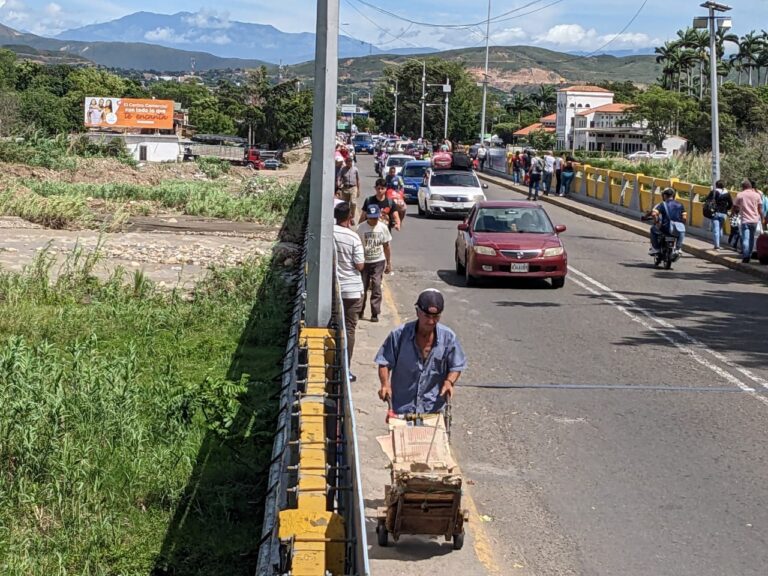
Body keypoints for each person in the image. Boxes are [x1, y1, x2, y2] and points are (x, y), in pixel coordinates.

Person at [375, 289, 466, 415]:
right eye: (427, 316)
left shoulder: (449, 337)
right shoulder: (399, 335)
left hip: (433, 409)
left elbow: (456, 365)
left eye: (435, 317)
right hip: (402, 408)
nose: (431, 322)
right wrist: (385, 384)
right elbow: (384, 361)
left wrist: (449, 381)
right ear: (417, 312)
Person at [333, 202, 364, 381]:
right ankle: (346, 368)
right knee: (349, 329)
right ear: (350, 218)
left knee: (334, 326)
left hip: (334, 289)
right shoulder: (353, 238)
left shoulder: (328, 233)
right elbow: (359, 265)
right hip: (351, 290)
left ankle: (332, 363)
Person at [357, 204, 392, 323]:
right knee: (362, 287)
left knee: (376, 286)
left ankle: (375, 313)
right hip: (364, 262)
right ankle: (360, 310)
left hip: (378, 261)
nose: (373, 220)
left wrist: (388, 263)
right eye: (371, 218)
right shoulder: (360, 228)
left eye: (375, 218)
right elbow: (356, 247)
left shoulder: (382, 228)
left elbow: (386, 246)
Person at [732, 179, 764, 263]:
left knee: (745, 238)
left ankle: (746, 256)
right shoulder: (757, 195)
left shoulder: (740, 195)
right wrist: (762, 218)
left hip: (745, 220)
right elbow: (760, 209)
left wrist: (734, 213)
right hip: (754, 220)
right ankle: (749, 254)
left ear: (743, 187)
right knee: (751, 238)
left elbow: (735, 206)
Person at [648, 188, 687, 256]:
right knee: (682, 231)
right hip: (676, 229)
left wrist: (657, 222)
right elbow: (684, 217)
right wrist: (680, 224)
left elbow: (654, 214)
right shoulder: (680, 205)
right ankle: (678, 248)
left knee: (653, 229)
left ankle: (656, 248)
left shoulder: (662, 204)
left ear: (664, 196)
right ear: (673, 196)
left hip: (665, 228)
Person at [703, 180, 733, 250]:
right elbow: (731, 204)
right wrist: (726, 208)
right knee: (720, 228)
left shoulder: (713, 192)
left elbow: (707, 200)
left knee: (716, 229)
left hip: (715, 212)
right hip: (724, 214)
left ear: (716, 185)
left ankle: (717, 246)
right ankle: (718, 241)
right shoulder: (727, 193)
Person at [336, 156, 361, 221]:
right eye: (348, 162)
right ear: (346, 162)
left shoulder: (355, 169)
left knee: (353, 202)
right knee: (345, 204)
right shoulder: (343, 169)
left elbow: (358, 180)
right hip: (345, 188)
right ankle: (346, 216)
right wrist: (338, 183)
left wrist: (358, 190)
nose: (349, 163)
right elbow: (339, 177)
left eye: (350, 162)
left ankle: (352, 216)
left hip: (353, 188)